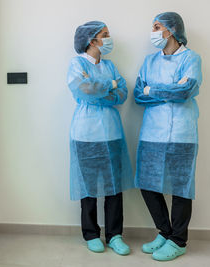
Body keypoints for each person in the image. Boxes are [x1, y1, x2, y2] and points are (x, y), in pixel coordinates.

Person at [133, 12, 202, 261]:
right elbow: (139, 95)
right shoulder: (149, 61)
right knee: (147, 183)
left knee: (181, 187)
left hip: (182, 132)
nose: (152, 32)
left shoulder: (191, 58)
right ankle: (165, 232)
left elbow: (186, 90)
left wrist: (155, 89)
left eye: (156, 26)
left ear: (171, 30)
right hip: (152, 131)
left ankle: (179, 240)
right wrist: (166, 90)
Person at [67, 21, 134, 255]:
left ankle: (115, 235)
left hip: (111, 133)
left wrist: (99, 89)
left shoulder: (110, 66)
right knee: (88, 188)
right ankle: (91, 234)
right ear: (92, 41)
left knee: (114, 188)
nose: (109, 38)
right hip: (85, 134)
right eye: (104, 35)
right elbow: (82, 89)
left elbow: (122, 93)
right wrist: (109, 87)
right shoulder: (76, 64)